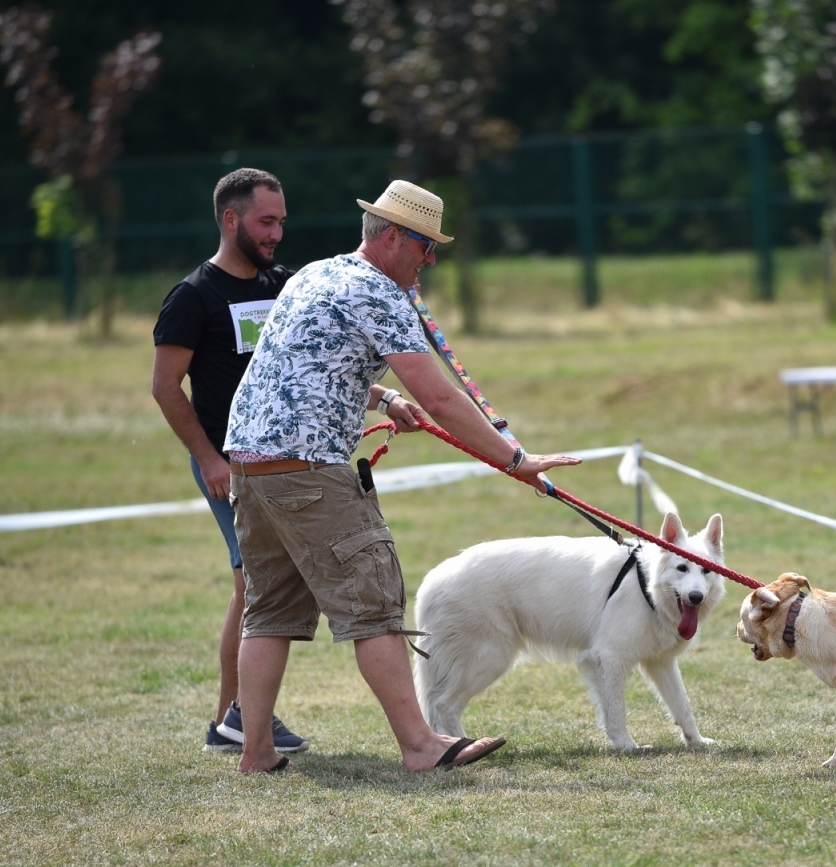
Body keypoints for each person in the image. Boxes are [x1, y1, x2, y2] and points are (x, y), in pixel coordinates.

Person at [223, 179, 582, 773]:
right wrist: (515, 461)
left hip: (253, 467)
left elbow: (303, 371)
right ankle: (421, 745)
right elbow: (441, 398)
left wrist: (381, 398)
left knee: (270, 613)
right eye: (424, 245)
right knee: (374, 603)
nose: (431, 259)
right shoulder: (380, 294)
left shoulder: (315, 274)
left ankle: (255, 753)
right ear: (390, 236)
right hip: (310, 471)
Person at [151, 167, 309, 756]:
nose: (276, 234)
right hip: (229, 465)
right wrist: (208, 459)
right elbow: (166, 387)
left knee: (257, 586)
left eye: (281, 222)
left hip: (282, 462)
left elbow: (307, 367)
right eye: (267, 222)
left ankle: (230, 720)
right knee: (254, 583)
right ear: (231, 219)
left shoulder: (285, 285)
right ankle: (241, 717)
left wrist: (385, 396)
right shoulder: (194, 297)